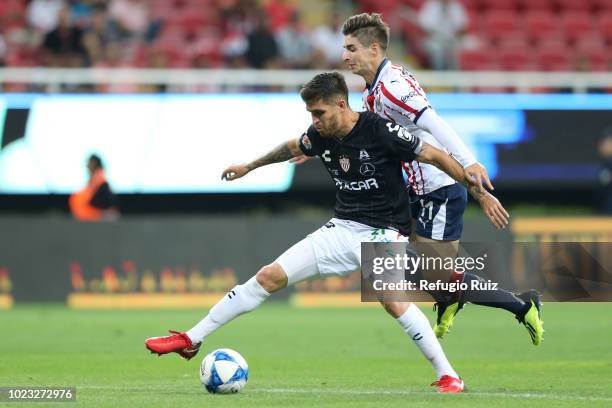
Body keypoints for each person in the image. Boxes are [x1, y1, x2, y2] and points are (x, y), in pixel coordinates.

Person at [145, 72, 500, 393]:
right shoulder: (320, 135)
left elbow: (435, 155)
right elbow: (292, 146)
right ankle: (191, 339)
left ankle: (448, 375)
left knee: (391, 300)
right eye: (311, 115)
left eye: (319, 113)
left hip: (385, 232)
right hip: (341, 229)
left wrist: (479, 193)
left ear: (341, 104)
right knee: (268, 276)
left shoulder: (379, 130)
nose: (314, 122)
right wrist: (249, 166)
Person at [340, 13, 543, 345]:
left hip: (438, 191)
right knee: (426, 274)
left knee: (439, 276)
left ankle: (523, 305)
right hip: (414, 194)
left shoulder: (393, 87)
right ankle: (450, 298)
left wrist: (470, 163)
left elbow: (435, 123)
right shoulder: (374, 89)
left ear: (373, 49)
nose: (345, 56)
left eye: (351, 48)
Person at [69, 154, 119, 221]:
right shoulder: (93, 182)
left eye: (89, 163)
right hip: (87, 219)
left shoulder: (102, 184)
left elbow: (109, 209)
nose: (87, 166)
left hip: (96, 221)